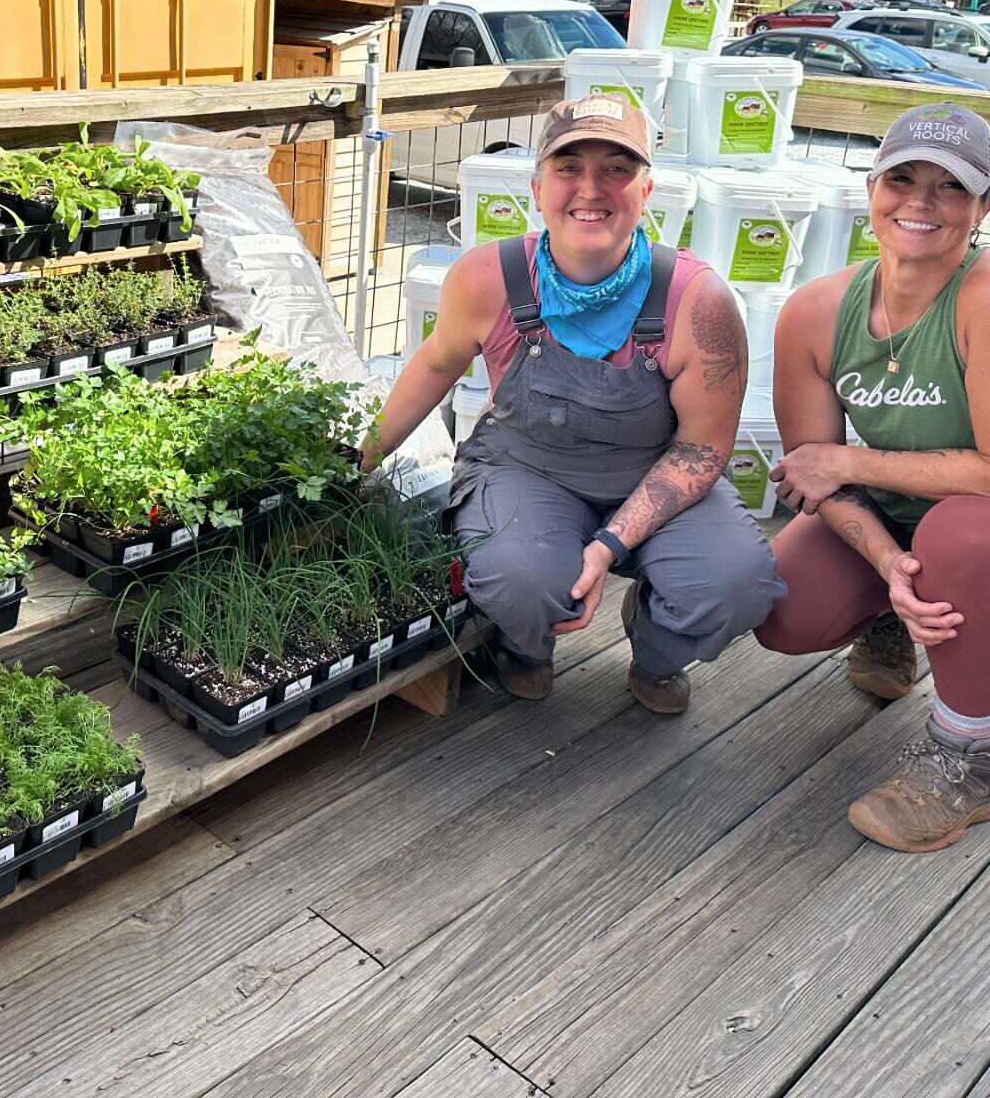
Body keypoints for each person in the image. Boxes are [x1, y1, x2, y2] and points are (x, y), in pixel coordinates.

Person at [361, 94, 784, 714]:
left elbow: (703, 449)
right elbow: (433, 366)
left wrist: (610, 543)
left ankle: (659, 648)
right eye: (568, 167)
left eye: (617, 168)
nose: (591, 187)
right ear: (537, 189)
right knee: (520, 577)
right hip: (525, 469)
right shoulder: (487, 279)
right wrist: (357, 460)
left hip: (656, 472)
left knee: (735, 583)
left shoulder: (699, 304)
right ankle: (524, 644)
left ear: (646, 190)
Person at [757, 103, 990, 853]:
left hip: (976, 520)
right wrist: (889, 566)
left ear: (982, 207)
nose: (921, 203)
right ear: (871, 189)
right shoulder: (817, 312)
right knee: (782, 606)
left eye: (950, 187)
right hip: (897, 523)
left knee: (965, 533)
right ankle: (897, 618)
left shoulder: (981, 303)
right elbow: (816, 481)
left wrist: (854, 460)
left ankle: (967, 753)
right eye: (903, 178)